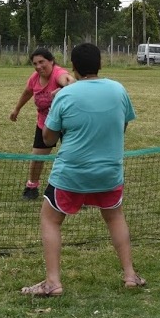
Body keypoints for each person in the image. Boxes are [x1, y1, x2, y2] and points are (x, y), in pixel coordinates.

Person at [20, 43, 145, 296]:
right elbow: (121, 127)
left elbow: (47, 138)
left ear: (74, 67)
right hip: (109, 172)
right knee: (115, 217)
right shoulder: (118, 90)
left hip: (71, 173)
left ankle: (53, 282)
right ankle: (130, 275)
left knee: (50, 219)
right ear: (101, 64)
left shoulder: (65, 95)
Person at [9, 48, 75, 200]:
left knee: (72, 157)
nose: (38, 66)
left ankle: (76, 190)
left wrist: (63, 89)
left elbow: (69, 81)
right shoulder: (34, 78)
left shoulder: (58, 73)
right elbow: (27, 92)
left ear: (51, 61)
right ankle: (32, 187)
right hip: (45, 123)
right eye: (35, 64)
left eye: (41, 62)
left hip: (67, 124)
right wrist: (16, 109)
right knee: (37, 157)